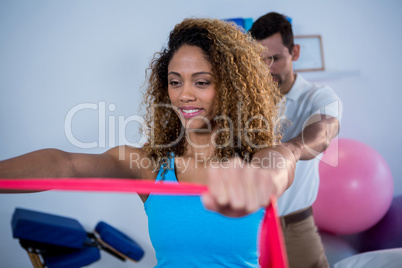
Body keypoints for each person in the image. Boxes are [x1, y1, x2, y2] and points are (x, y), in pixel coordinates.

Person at [1, 18, 297, 267]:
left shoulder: (261, 159)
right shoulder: (150, 166)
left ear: (231, 88)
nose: (184, 95)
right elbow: (65, 165)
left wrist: (259, 184)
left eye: (202, 82)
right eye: (175, 81)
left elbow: (278, 168)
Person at [249, 12, 342, 268]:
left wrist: (291, 149)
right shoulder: (244, 100)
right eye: (260, 60)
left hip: (293, 227)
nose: (267, 68)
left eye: (275, 58)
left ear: (295, 52)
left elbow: (323, 132)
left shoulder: (319, 96)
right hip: (243, 229)